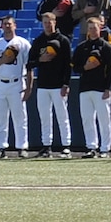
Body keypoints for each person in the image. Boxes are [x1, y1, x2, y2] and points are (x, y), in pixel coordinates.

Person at [0, 14, 32, 157]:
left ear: (15, 25)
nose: (7, 26)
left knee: (20, 117)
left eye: (10, 23)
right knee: (0, 117)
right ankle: (0, 148)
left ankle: (22, 147)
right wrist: (4, 60)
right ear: (1, 26)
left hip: (17, 82)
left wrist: (29, 87)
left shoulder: (23, 44)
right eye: (4, 24)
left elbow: (29, 67)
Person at [29, 9, 75, 158]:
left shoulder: (63, 40)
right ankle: (46, 146)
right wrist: (39, 61)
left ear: (55, 22)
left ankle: (66, 145)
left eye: (50, 22)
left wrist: (66, 84)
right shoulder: (38, 41)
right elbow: (29, 63)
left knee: (62, 115)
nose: (48, 25)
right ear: (42, 24)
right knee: (44, 116)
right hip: (43, 84)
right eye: (45, 23)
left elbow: (69, 64)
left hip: (58, 84)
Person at [72, 15, 111, 157]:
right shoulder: (81, 47)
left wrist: (107, 88)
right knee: (87, 119)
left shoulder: (106, 46)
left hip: (100, 88)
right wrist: (85, 67)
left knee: (104, 119)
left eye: (95, 28)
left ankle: (105, 148)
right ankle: (91, 147)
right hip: (85, 87)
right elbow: (75, 67)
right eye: (90, 28)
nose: (92, 30)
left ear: (100, 28)